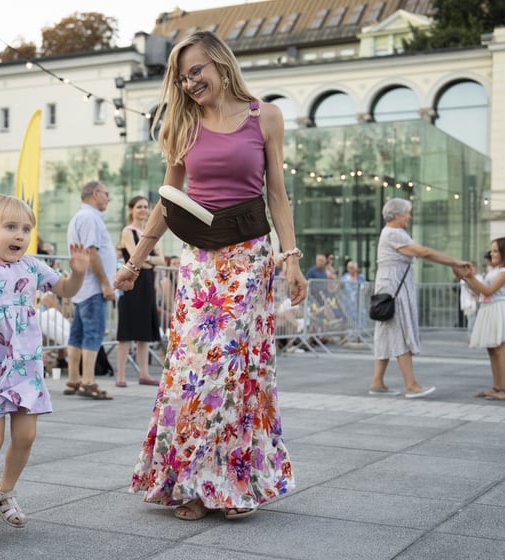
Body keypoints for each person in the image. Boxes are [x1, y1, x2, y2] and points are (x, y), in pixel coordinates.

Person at [112, 31, 307, 521]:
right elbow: (166, 201)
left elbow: (277, 195)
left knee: (239, 370)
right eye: (182, 76)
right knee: (195, 369)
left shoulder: (267, 117)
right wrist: (135, 262)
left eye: (196, 70)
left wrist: (292, 256)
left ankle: (237, 481)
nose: (190, 81)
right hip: (199, 261)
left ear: (220, 63)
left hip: (249, 258)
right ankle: (194, 484)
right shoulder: (182, 125)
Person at [0, 192, 87, 539]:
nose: (20, 235)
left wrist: (79, 273)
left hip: (24, 366)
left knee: (26, 436)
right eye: (10, 227)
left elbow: (66, 289)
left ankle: (3, 492)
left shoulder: (32, 266)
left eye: (26, 228)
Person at [370, 198, 468, 399]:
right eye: (407, 213)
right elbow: (424, 252)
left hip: (389, 289)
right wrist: (454, 262)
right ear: (396, 215)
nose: (410, 216)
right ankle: (411, 384)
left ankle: (377, 382)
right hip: (394, 291)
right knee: (400, 331)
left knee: (386, 334)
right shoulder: (394, 233)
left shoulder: (392, 233)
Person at [64, 180, 117, 400]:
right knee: (93, 334)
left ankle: (74, 379)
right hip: (93, 287)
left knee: (77, 335)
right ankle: (88, 381)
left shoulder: (81, 216)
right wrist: (105, 283)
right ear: (95, 194)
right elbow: (92, 253)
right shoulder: (90, 217)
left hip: (83, 288)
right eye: (106, 193)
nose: (108, 198)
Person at [462, 238, 505, 401]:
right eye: (492, 250)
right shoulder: (494, 271)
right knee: (492, 349)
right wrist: (469, 280)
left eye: (496, 251)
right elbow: (481, 292)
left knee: (500, 349)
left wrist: (472, 278)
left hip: (498, 308)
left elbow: (488, 290)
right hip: (490, 307)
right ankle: (497, 386)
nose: (492, 253)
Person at [115, 195, 164, 387]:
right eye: (139, 207)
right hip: (131, 284)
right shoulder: (128, 231)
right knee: (126, 332)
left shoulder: (149, 233)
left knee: (144, 332)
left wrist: (147, 260)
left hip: (146, 286)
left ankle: (144, 374)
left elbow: (161, 260)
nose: (143, 210)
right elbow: (137, 258)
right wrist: (149, 260)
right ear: (131, 210)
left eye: (145, 207)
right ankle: (120, 375)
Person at [459, 261, 481, 339]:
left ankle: (476, 336)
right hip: (469, 301)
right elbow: (469, 288)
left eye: (475, 268)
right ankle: (471, 336)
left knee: (477, 319)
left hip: (479, 300)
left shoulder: (479, 277)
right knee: (472, 318)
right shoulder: (465, 278)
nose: (474, 270)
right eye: (472, 268)